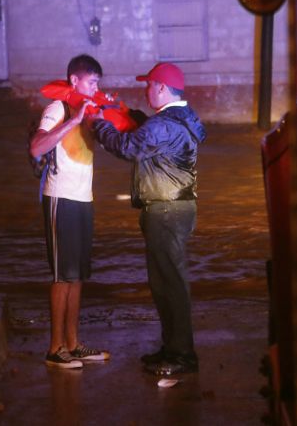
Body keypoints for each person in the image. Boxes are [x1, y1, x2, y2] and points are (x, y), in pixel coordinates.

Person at [86, 62, 206, 375]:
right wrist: (132, 117)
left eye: (149, 85)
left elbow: (128, 148)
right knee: (165, 283)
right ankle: (172, 348)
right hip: (175, 209)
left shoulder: (164, 125)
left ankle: (182, 356)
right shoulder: (182, 117)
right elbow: (151, 135)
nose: (146, 90)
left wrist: (101, 124)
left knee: (171, 285)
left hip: (166, 211)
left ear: (163, 89)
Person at [30, 54, 111, 369]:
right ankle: (54, 348)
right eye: (91, 82)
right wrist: (74, 121)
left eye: (97, 83)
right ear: (74, 81)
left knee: (78, 277)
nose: (94, 88)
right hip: (60, 199)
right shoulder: (58, 109)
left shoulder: (90, 112)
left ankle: (73, 345)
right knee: (62, 276)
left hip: (83, 199)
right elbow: (36, 147)